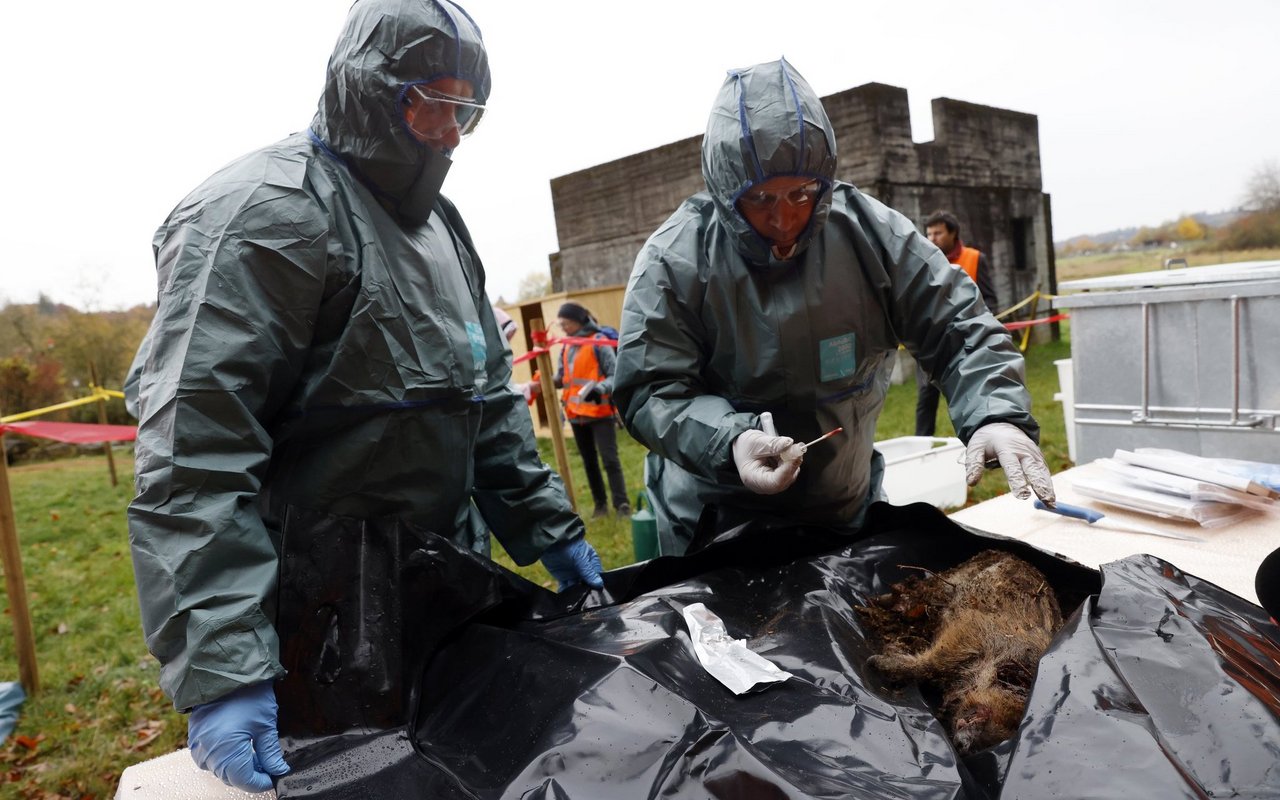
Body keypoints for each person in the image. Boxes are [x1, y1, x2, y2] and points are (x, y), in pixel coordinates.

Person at [125, 1, 602, 792]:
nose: (453, 132)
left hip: (444, 585)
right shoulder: (262, 216)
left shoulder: (443, 229)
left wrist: (549, 531)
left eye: (468, 110)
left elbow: (483, 403)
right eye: (434, 103)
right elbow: (194, 449)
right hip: (305, 618)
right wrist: (222, 665)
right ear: (370, 88)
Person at [613, 58, 1055, 557]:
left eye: (801, 193)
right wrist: (729, 442)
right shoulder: (676, 260)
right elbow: (650, 391)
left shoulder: (872, 237)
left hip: (844, 515)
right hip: (716, 527)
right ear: (725, 191)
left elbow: (959, 327)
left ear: (824, 179)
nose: (784, 219)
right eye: (760, 198)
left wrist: (995, 413)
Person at [529, 302, 631, 518]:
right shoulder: (566, 346)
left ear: (577, 321)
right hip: (576, 415)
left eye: (565, 323)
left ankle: (622, 505)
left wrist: (600, 388)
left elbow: (616, 375)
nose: (563, 328)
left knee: (610, 460)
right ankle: (600, 505)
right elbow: (561, 379)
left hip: (599, 413)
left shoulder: (599, 342)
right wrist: (543, 377)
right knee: (589, 462)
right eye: (561, 324)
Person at [915, 210, 1000, 436]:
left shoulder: (974, 258)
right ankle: (923, 447)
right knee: (926, 397)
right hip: (930, 343)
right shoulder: (921, 259)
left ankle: (980, 441)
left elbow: (990, 300)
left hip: (965, 343)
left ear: (953, 233)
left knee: (970, 395)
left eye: (938, 233)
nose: (932, 238)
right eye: (929, 233)